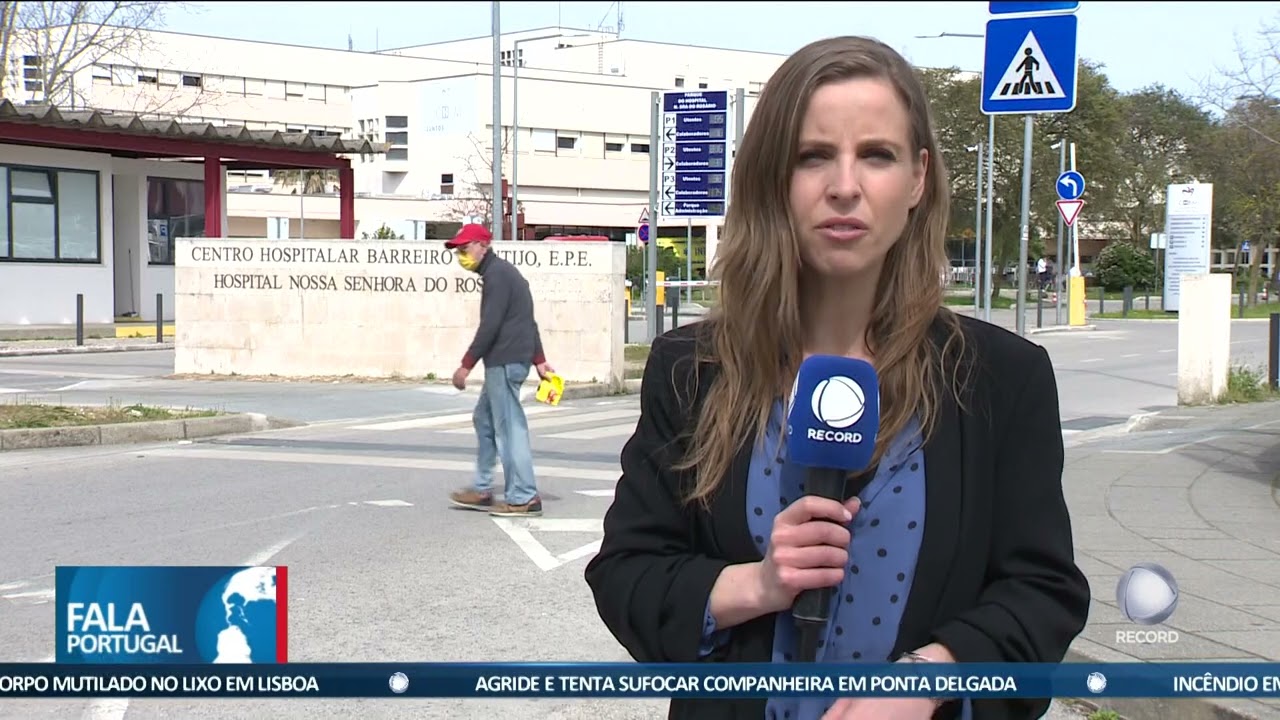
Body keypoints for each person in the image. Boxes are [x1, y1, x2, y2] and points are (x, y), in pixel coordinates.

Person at [584, 36, 1090, 720]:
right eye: (813, 156)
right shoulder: (690, 372)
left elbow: (1041, 594)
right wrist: (755, 584)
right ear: (773, 180)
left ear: (917, 179)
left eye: (875, 155)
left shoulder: (1003, 379)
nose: (844, 186)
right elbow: (626, 574)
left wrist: (930, 679)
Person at [445, 223, 553, 517]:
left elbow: (490, 325)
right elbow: (527, 320)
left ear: (482, 245)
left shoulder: (497, 276)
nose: (461, 256)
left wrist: (465, 365)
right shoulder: (503, 274)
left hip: (504, 361)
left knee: (509, 429)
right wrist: (539, 360)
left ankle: (523, 496)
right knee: (484, 419)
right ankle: (481, 489)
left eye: (464, 249)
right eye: (458, 251)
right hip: (509, 359)